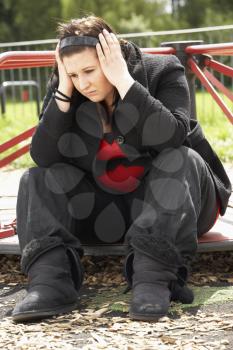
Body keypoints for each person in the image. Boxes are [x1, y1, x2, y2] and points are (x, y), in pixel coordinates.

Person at [12, 15, 231, 322]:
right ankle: (51, 284)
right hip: (105, 210)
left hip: (179, 202)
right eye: (73, 74)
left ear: (113, 58)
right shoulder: (69, 90)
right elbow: (44, 157)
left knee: (180, 157)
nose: (83, 82)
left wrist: (123, 82)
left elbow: (171, 136)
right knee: (36, 179)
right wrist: (62, 89)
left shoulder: (163, 72)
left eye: (89, 70)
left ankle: (153, 281)